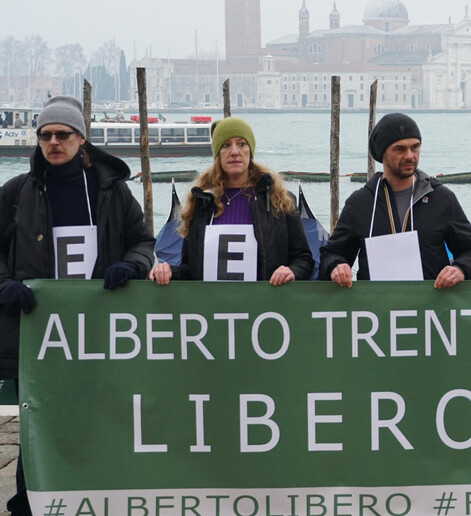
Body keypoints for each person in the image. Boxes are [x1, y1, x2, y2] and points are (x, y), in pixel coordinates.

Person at [0, 95, 155, 515]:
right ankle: (30, 502)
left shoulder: (112, 192)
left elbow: (144, 241)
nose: (53, 142)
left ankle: (98, 495)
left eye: (62, 134)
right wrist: (5, 286)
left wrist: (131, 265)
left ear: (81, 139)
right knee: (40, 424)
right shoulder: (16, 194)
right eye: (45, 135)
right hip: (38, 336)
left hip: (101, 332)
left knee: (100, 418)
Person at [319, 113, 471, 288]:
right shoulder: (360, 203)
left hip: (432, 309)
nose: (410, 156)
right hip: (376, 309)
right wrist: (336, 266)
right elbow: (330, 255)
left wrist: (460, 269)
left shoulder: (441, 198)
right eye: (400, 149)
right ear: (382, 153)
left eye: (415, 147)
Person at [148, 117, 313, 285]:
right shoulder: (201, 202)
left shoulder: (280, 200)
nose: (234, 151)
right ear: (218, 153)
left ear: (250, 150)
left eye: (241, 144)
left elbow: (304, 260)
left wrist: (292, 271)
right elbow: (191, 269)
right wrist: (168, 271)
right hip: (212, 308)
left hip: (265, 307)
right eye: (226, 145)